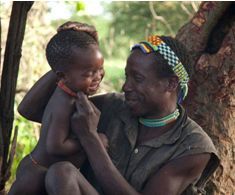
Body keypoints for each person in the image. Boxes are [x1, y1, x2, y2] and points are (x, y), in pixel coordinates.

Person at [16, 33, 220, 195]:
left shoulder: (193, 147)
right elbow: (31, 110)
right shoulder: (114, 106)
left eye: (137, 79)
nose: (126, 86)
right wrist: (70, 63)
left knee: (63, 173)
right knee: (59, 174)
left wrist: (91, 139)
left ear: (171, 83)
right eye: (126, 76)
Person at [8, 21, 108, 195]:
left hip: (45, 171)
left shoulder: (72, 91)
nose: (98, 77)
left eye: (100, 69)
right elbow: (55, 146)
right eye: (88, 73)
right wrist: (91, 139)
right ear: (62, 75)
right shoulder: (65, 103)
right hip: (37, 172)